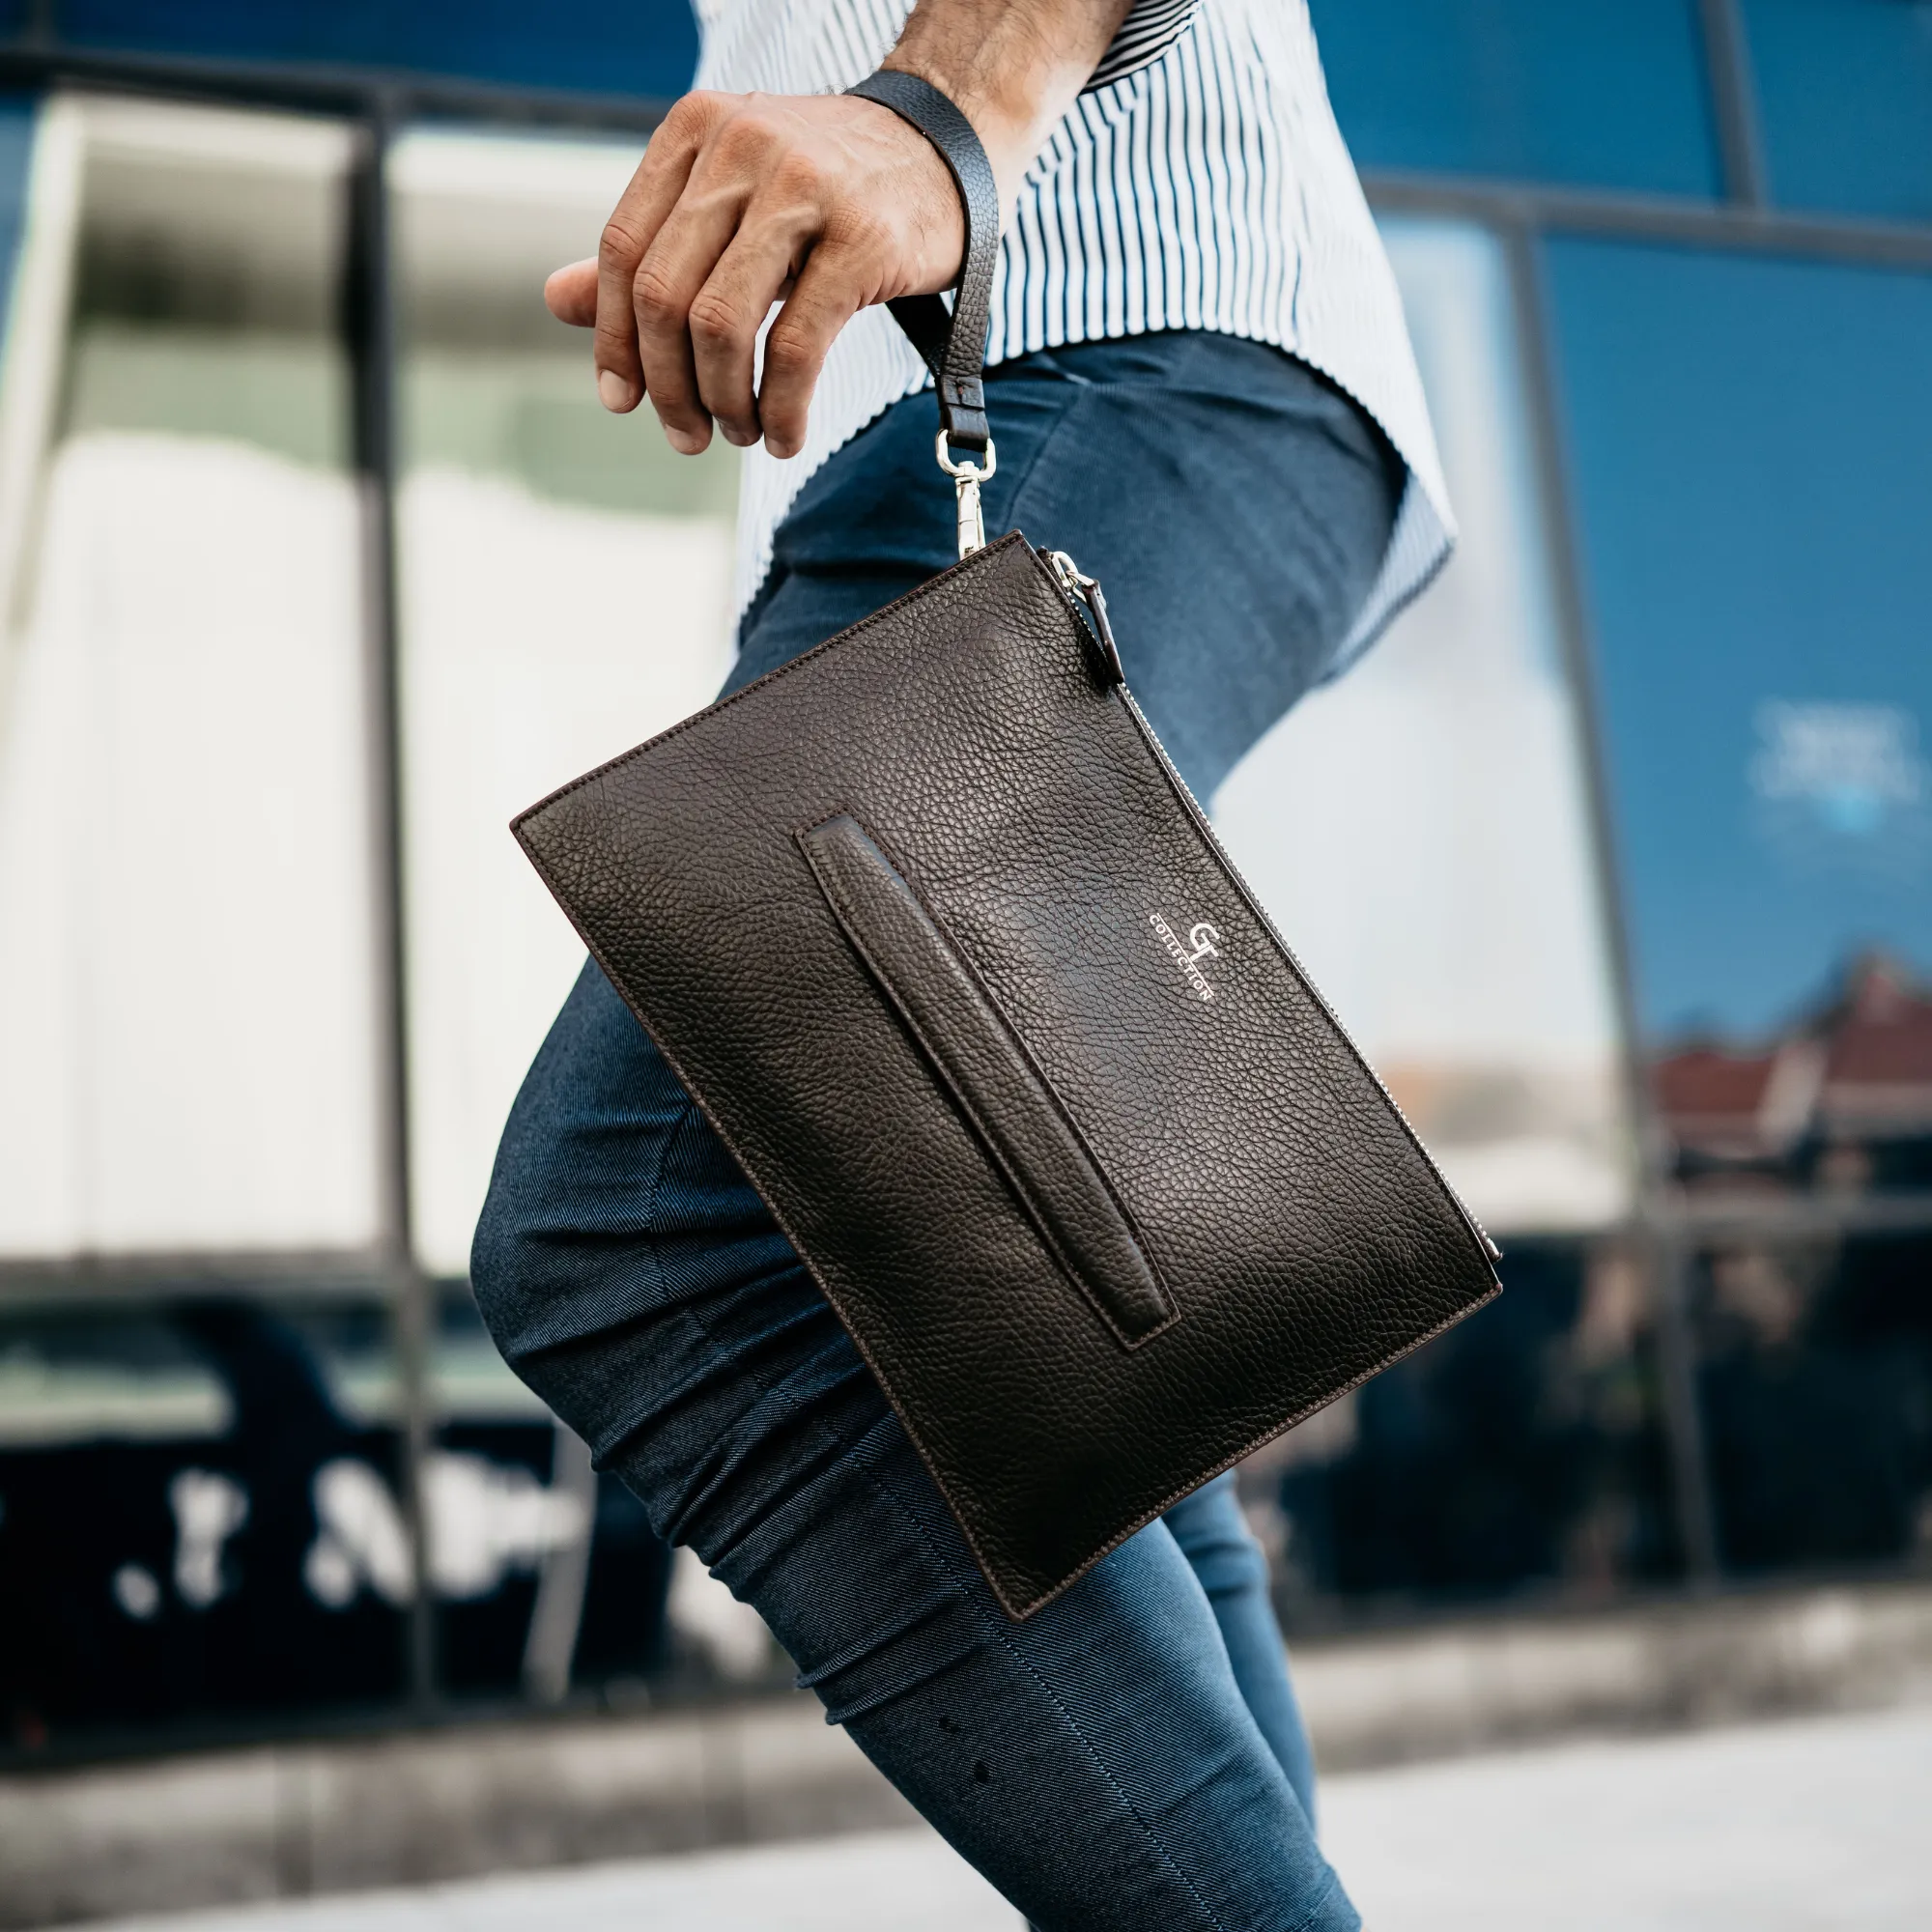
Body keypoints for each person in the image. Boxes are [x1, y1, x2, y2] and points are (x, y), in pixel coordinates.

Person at [471, 1, 1451, 1924]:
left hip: (1085, 319)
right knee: (1091, 1378)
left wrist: (950, 105)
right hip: (1064, 383)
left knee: (650, 1228)